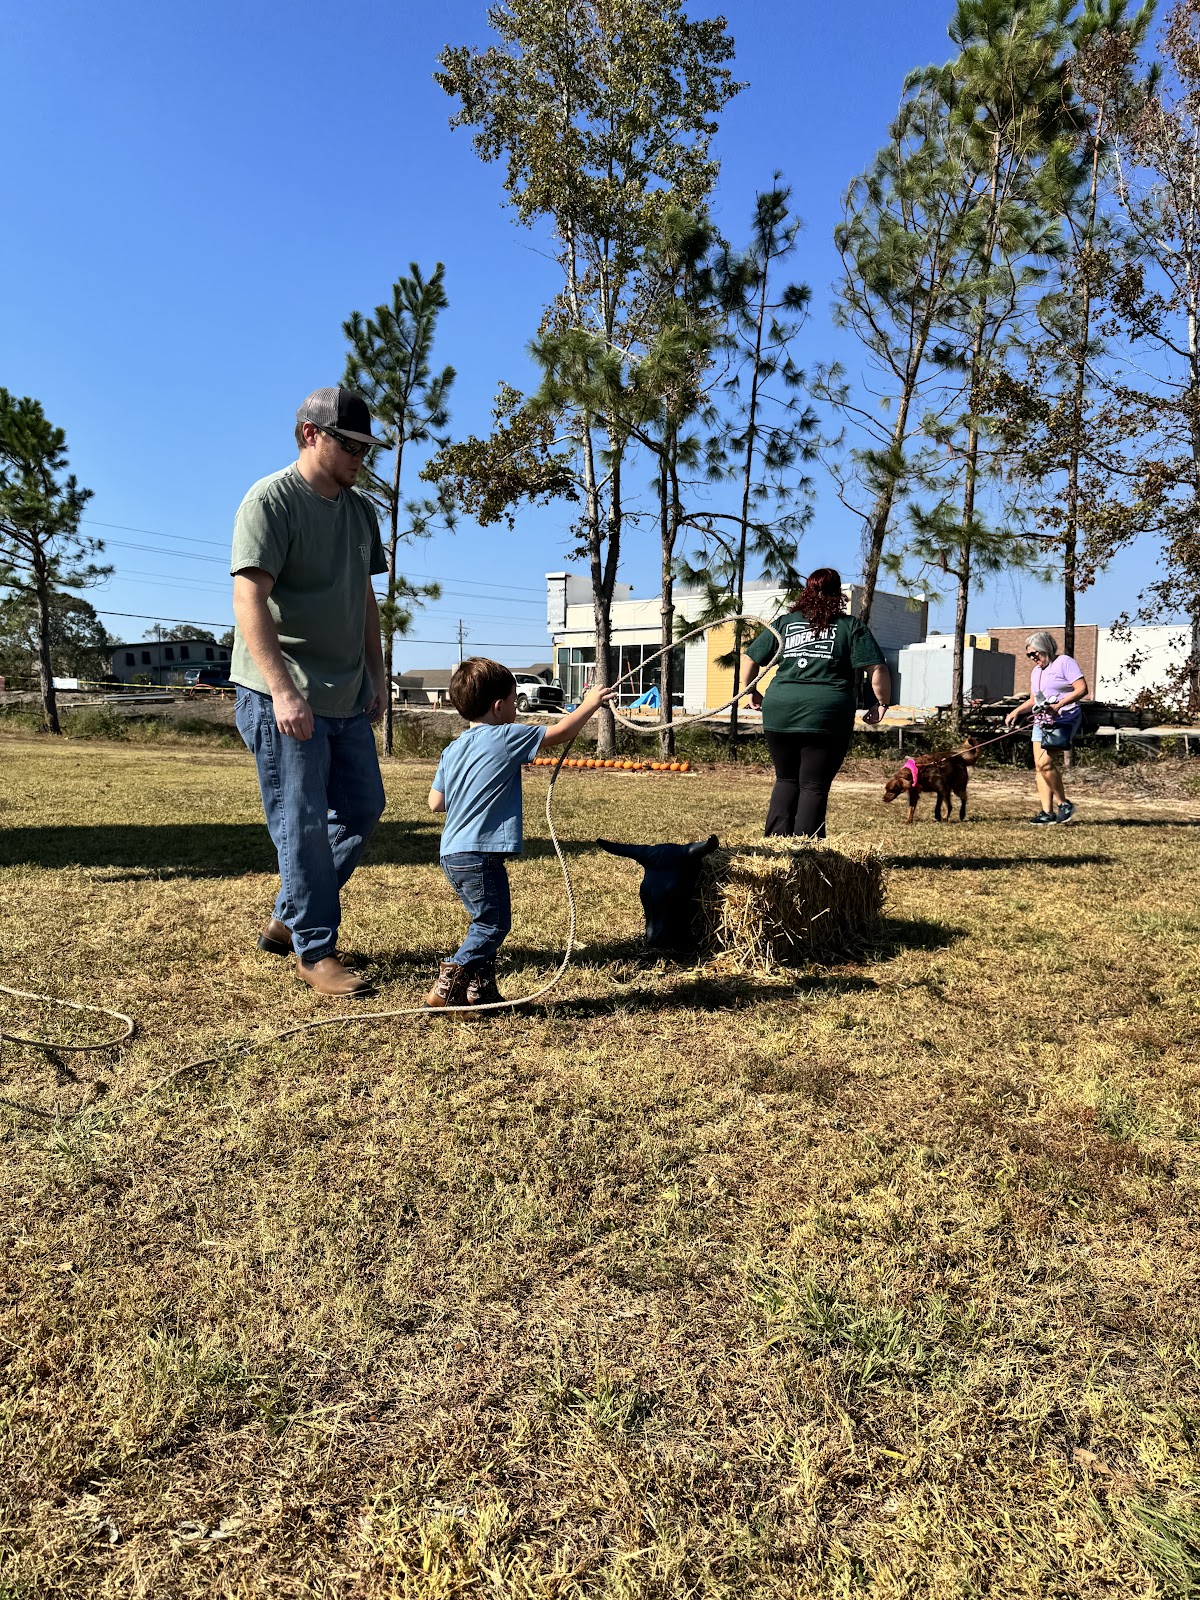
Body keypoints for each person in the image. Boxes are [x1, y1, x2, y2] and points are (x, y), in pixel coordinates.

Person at [231, 387, 389, 997]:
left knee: (362, 808)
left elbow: (364, 600)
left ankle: (288, 913)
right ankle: (315, 948)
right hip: (284, 693)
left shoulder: (360, 511)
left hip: (345, 692)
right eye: (349, 445)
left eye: (365, 448)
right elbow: (249, 597)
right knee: (300, 824)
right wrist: (282, 691)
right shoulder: (269, 501)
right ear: (308, 434)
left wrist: (375, 674)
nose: (359, 458)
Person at [425, 660, 618, 1008]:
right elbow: (559, 733)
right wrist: (590, 704)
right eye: (514, 701)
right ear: (499, 707)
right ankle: (448, 982)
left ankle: (480, 992)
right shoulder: (505, 735)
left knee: (483, 920)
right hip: (479, 853)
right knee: (493, 925)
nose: (516, 708)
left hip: (452, 853)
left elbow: (435, 803)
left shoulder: (452, 750)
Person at [741, 568, 891, 838]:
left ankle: (775, 847)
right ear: (838, 595)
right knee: (813, 785)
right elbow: (877, 669)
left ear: (806, 592)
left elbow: (750, 659)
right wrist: (881, 703)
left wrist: (750, 691)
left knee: (786, 779)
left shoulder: (786, 622)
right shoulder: (850, 626)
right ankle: (805, 852)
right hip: (827, 714)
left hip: (780, 711)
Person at [1004, 631, 1088, 825]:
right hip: (1042, 721)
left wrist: (1058, 705)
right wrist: (1016, 712)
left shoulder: (1064, 662)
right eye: (1029, 655)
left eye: (1035, 653)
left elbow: (1082, 689)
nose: (1033, 658)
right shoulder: (1037, 672)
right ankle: (1047, 813)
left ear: (1046, 648)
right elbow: (1034, 700)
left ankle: (1064, 804)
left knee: (1045, 764)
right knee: (1039, 767)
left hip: (1064, 719)